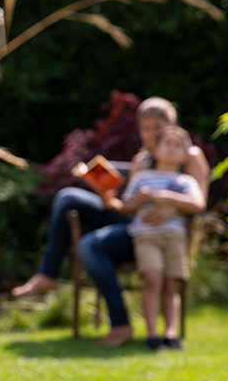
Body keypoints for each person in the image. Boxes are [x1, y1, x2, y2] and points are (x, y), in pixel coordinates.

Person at [11, 96, 210, 347]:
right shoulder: (142, 159)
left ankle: (122, 325)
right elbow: (130, 205)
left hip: (167, 233)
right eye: (145, 129)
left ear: (172, 124)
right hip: (137, 225)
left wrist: (170, 209)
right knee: (67, 197)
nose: (150, 135)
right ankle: (48, 274)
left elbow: (199, 200)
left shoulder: (190, 155)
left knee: (88, 245)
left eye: (157, 128)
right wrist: (109, 198)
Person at [103, 126, 205, 349]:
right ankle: (152, 335)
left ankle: (171, 334)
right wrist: (126, 202)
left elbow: (198, 204)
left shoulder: (186, 182)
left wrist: (166, 197)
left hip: (174, 238)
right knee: (152, 279)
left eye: (177, 145)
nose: (171, 148)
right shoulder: (143, 178)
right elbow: (126, 206)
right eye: (166, 143)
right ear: (155, 150)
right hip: (146, 237)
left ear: (185, 154)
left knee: (171, 284)